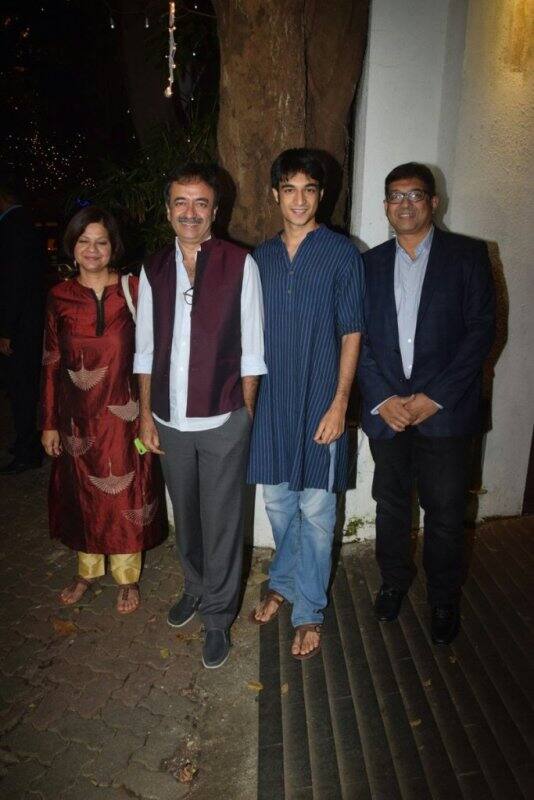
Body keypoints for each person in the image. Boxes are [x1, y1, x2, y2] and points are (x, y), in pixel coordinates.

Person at [134, 163, 267, 669]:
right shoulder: (153, 270)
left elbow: (252, 349)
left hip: (223, 418)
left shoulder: (240, 264)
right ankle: (193, 587)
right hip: (168, 420)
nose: (190, 212)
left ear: (216, 210)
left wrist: (245, 415)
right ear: (168, 210)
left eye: (201, 203)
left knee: (224, 524)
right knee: (186, 517)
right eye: (181, 203)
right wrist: (146, 416)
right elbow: (144, 352)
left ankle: (217, 616)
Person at [357, 162, 495, 645]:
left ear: (434, 203)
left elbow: (481, 333)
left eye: (415, 195)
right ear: (386, 207)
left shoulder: (468, 256)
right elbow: (358, 340)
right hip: (389, 413)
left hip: (447, 414)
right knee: (391, 505)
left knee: (445, 512)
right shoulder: (368, 264)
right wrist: (381, 398)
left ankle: (442, 598)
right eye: (396, 196)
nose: (406, 204)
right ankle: (394, 582)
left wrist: (435, 397)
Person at [248, 148, 364, 660]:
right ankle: (284, 581)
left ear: (322, 195)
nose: (299, 199)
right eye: (289, 188)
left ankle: (309, 610)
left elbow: (352, 332)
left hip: (321, 400)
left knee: (317, 511)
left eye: (309, 189)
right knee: (277, 504)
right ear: (275, 194)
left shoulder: (342, 254)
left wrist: (340, 402)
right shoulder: (260, 258)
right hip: (272, 404)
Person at [40, 206, 167, 614]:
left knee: (127, 492)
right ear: (72, 247)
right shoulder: (59, 296)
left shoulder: (132, 289)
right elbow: (51, 362)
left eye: (101, 242)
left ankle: (127, 578)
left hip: (127, 416)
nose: (92, 250)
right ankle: (87, 571)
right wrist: (48, 423)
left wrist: (153, 415)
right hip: (76, 419)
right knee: (82, 496)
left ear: (113, 248)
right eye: (84, 241)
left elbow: (155, 352)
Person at [0, 176, 46, 474]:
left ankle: (28, 449)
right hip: (27, 321)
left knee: (22, 388)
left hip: (19, 326)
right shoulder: (26, 224)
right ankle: (26, 442)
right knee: (23, 386)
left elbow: (12, 284)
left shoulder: (12, 227)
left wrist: (6, 329)